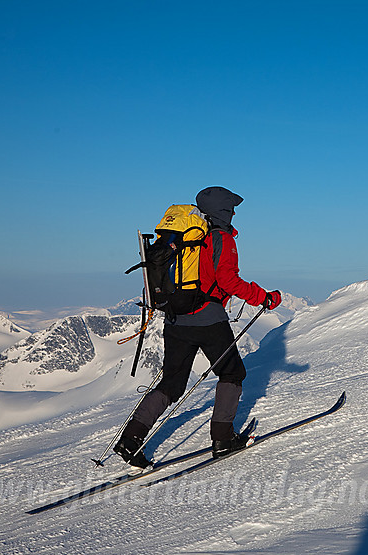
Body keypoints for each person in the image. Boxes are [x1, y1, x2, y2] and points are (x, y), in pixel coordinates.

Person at [114, 186, 281, 467]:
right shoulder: (219, 238)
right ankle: (223, 439)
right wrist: (262, 297)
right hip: (208, 318)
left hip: (175, 318)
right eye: (231, 208)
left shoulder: (183, 236)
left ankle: (130, 440)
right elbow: (228, 281)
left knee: (171, 383)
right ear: (223, 210)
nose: (235, 212)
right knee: (231, 372)